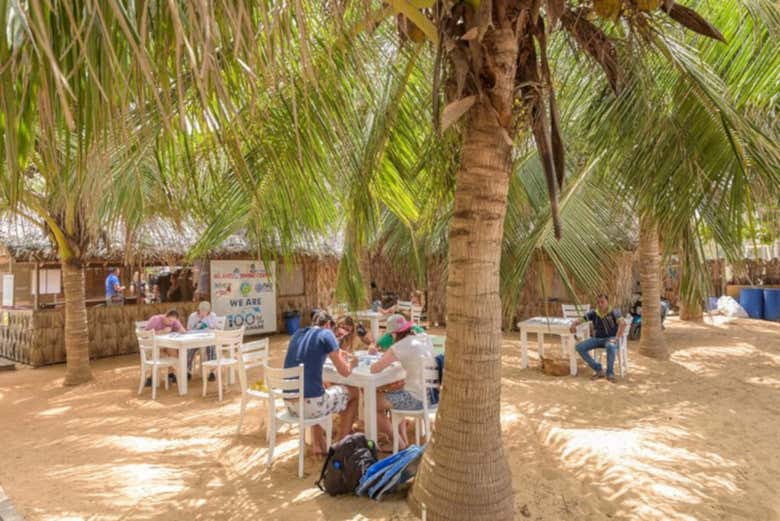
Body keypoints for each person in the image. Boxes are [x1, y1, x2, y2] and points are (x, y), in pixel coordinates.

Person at [283, 311, 360, 454]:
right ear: (328, 324)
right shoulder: (326, 333)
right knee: (354, 393)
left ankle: (318, 444)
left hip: (291, 405)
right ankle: (341, 444)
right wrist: (353, 363)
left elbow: (309, 356)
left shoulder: (297, 334)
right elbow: (345, 372)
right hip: (311, 407)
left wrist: (336, 353)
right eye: (334, 328)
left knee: (317, 389)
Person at [370, 317, 435, 451]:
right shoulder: (423, 338)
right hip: (432, 396)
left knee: (371, 404)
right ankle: (401, 439)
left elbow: (375, 368)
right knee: (399, 389)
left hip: (416, 399)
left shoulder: (399, 346)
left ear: (393, 334)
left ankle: (399, 443)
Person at [570, 293, 626, 383]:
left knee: (611, 346)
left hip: (610, 339)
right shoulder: (594, 313)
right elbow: (582, 319)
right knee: (579, 347)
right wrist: (573, 324)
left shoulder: (615, 312)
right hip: (596, 339)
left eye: (602, 302)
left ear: (607, 302)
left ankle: (609, 373)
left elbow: (623, 324)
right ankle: (598, 369)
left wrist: (616, 338)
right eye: (598, 302)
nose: (600, 304)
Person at [144, 309, 185, 386]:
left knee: (173, 351)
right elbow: (145, 333)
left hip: (165, 345)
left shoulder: (174, 321)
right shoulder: (155, 319)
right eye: (169, 320)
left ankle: (170, 374)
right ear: (165, 316)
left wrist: (179, 330)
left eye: (173, 321)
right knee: (166, 356)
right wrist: (161, 331)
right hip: (152, 346)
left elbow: (183, 330)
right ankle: (153, 377)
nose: (171, 323)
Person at [186, 301, 217, 381]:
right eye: (201, 311)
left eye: (205, 311)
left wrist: (206, 319)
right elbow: (188, 329)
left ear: (209, 311)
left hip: (208, 340)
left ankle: (212, 372)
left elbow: (214, 328)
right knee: (189, 349)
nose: (203, 313)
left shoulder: (212, 316)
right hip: (195, 340)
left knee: (211, 348)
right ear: (198, 310)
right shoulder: (193, 316)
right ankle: (188, 371)